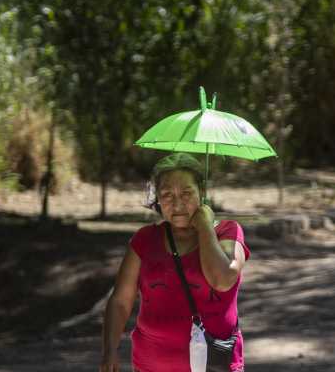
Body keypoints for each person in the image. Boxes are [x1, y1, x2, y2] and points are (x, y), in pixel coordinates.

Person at [100, 153, 251, 372]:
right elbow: (121, 300)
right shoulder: (145, 239)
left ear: (202, 192)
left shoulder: (228, 232)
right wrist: (109, 350)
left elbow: (223, 279)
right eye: (167, 194)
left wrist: (205, 227)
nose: (177, 203)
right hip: (150, 365)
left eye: (187, 193)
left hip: (213, 366)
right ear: (157, 199)